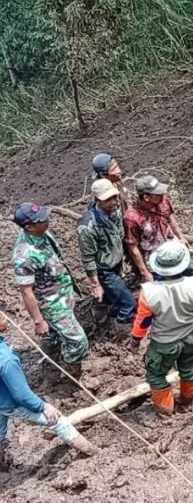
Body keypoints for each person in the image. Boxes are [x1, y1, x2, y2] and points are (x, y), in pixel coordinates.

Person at [129, 240, 193, 417]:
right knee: (188, 367)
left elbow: (143, 321)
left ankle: (165, 411)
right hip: (191, 337)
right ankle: (186, 401)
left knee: (156, 375)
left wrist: (135, 340)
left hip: (163, 343)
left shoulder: (149, 292)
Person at [0, 313, 95, 469]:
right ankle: (94, 454)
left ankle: (2, 468)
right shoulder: (6, 360)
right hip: (9, 403)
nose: (5, 318)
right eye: (1, 317)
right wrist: (43, 406)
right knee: (59, 422)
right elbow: (21, 395)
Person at [12, 203, 89, 371]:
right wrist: (38, 321)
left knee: (55, 335)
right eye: (42, 219)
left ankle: (52, 351)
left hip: (62, 294)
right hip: (53, 305)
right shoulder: (25, 255)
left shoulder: (42, 233)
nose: (47, 219)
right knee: (78, 341)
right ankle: (69, 370)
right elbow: (26, 291)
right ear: (29, 227)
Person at [77, 179, 136, 326]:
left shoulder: (115, 213)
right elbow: (88, 257)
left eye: (115, 197)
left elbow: (120, 236)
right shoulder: (88, 226)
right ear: (98, 201)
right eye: (108, 199)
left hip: (116, 264)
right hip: (104, 270)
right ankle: (122, 328)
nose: (115, 202)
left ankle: (109, 311)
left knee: (114, 296)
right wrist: (95, 284)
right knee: (128, 304)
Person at [123, 175, 188, 282]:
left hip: (171, 248)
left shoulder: (163, 201)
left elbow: (170, 218)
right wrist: (144, 272)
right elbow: (132, 247)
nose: (162, 195)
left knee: (191, 270)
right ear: (146, 197)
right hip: (154, 259)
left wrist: (180, 237)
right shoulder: (132, 218)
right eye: (157, 194)